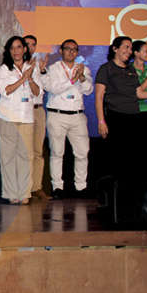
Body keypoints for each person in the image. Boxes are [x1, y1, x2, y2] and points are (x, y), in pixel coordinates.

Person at [95, 36, 147, 182]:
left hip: (134, 117)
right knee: (120, 159)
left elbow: (139, 93)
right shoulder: (106, 69)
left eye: (130, 47)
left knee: (134, 159)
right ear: (115, 49)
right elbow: (99, 97)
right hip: (116, 118)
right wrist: (101, 121)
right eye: (126, 47)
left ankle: (134, 196)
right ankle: (118, 197)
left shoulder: (130, 70)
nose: (129, 51)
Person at [42, 39, 93, 198]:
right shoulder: (53, 68)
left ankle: (81, 187)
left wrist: (82, 77)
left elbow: (88, 90)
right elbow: (52, 88)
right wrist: (72, 80)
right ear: (61, 51)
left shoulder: (84, 69)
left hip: (77, 115)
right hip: (57, 114)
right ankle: (57, 187)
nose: (71, 52)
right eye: (68, 49)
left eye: (74, 49)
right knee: (57, 152)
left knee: (82, 152)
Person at [0, 36, 42, 205]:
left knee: (26, 156)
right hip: (7, 117)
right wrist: (22, 78)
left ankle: (24, 192)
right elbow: (5, 90)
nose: (16, 51)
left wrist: (29, 78)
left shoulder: (32, 68)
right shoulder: (4, 69)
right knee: (8, 157)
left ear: (24, 49)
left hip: (27, 117)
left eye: (19, 47)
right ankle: (10, 193)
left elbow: (37, 92)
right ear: (9, 51)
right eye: (12, 48)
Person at [24, 34, 48, 198]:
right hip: (23, 109)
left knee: (38, 151)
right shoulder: (16, 65)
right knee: (25, 151)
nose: (31, 47)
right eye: (27, 44)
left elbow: (46, 87)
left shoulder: (40, 65)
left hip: (38, 109)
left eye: (34, 44)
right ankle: (25, 187)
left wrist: (43, 71)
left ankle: (37, 186)